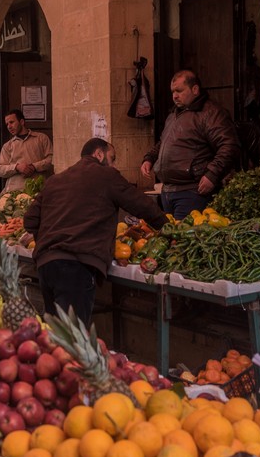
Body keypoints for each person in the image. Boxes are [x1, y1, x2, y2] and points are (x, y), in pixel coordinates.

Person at [24, 138, 167, 325]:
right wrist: (168, 227)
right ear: (99, 154)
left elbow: (30, 219)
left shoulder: (56, 179)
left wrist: (48, 241)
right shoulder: (107, 175)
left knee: (54, 335)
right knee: (72, 339)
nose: (114, 164)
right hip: (76, 266)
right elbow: (142, 205)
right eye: (112, 158)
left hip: (46, 265)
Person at [140, 69, 241, 220]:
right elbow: (163, 143)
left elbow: (229, 145)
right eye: (173, 91)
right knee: (171, 238)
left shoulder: (211, 113)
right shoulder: (174, 115)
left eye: (179, 91)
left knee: (185, 239)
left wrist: (212, 174)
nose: (175, 96)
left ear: (195, 89)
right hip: (167, 191)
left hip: (192, 193)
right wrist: (149, 158)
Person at [0, 109, 53, 193]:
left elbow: (52, 159)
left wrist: (34, 166)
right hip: (14, 192)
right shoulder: (8, 146)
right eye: (7, 124)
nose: (9, 126)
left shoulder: (41, 138)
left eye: (11, 122)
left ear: (21, 122)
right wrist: (17, 167)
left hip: (37, 190)